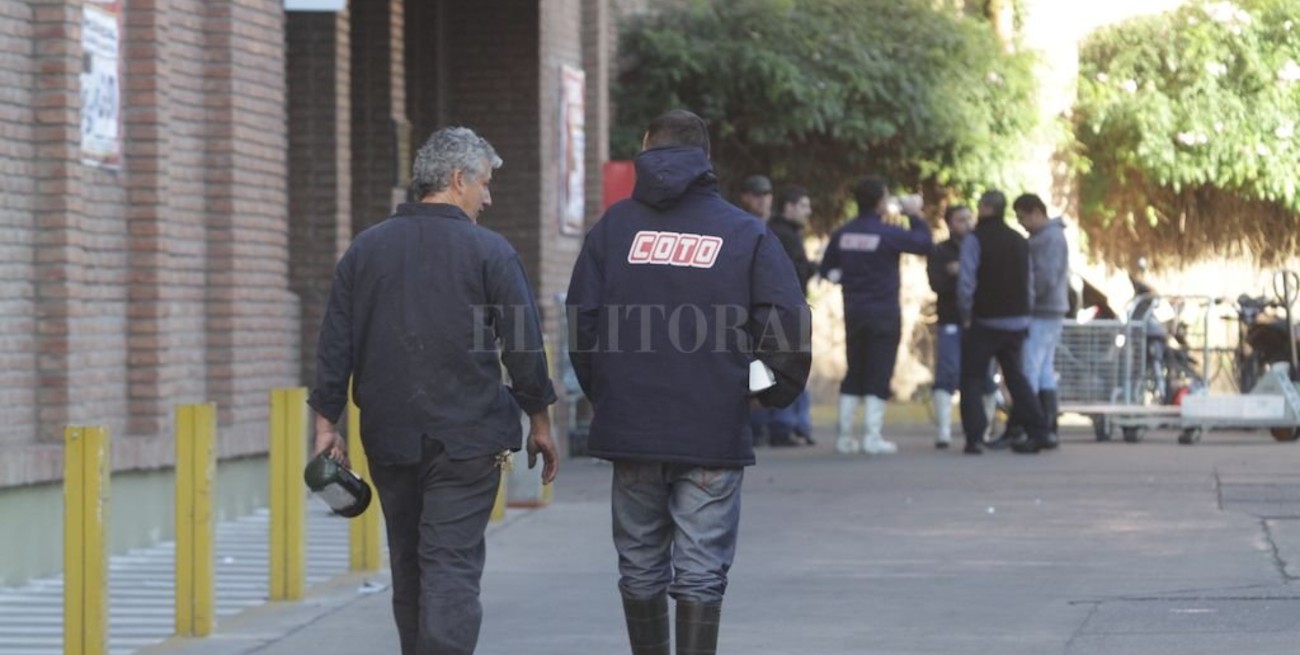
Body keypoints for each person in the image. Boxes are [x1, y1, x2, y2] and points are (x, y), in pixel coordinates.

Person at [566, 109, 811, 655]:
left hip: (632, 429)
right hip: (712, 431)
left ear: (648, 150)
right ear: (705, 160)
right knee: (701, 574)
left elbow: (581, 322)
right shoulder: (745, 232)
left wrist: (609, 394)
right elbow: (788, 326)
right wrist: (764, 392)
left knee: (640, 567)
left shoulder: (614, 228)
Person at [308, 126, 560, 655]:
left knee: (409, 563)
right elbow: (524, 347)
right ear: (456, 178)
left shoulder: (365, 250)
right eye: (485, 184)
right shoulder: (490, 253)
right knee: (450, 564)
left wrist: (326, 423)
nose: (488, 197)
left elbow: (335, 344)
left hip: (390, 435)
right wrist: (540, 421)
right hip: (468, 441)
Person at [820, 177, 932, 455]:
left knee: (855, 370)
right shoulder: (888, 233)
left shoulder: (843, 233)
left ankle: (844, 437)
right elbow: (924, 244)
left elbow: (827, 270)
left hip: (854, 312)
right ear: (881, 202)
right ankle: (872, 437)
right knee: (879, 372)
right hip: (883, 312)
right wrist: (914, 215)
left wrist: (848, 278)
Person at [957, 190, 1055, 455]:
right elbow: (1030, 282)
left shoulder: (974, 240)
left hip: (985, 320)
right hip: (1017, 320)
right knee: (1016, 378)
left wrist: (965, 313)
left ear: (983, 208)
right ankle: (1040, 430)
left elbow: (967, 281)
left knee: (972, 378)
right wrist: (1026, 311)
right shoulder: (1019, 241)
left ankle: (975, 437)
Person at [927, 205, 998, 449]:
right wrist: (956, 273)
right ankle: (944, 431)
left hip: (979, 320)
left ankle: (985, 429)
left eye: (969, 218)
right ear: (949, 223)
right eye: (960, 220)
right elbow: (936, 282)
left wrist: (960, 271)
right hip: (950, 319)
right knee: (948, 371)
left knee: (985, 375)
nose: (967, 223)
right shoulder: (940, 250)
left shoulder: (982, 246)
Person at [1014, 193, 1070, 442]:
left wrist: (1027, 300)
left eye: (1023, 217)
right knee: (1044, 367)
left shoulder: (1048, 238)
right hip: (1051, 309)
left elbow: (1045, 276)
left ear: (1037, 212)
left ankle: (1033, 427)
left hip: (1042, 309)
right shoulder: (1050, 236)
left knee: (1030, 367)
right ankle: (1047, 426)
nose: (1021, 223)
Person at [765, 185, 818, 446]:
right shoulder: (786, 235)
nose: (808, 212)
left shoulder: (774, 231)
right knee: (790, 368)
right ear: (789, 207)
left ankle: (792, 425)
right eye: (804, 206)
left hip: (775, 309)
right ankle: (786, 426)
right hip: (786, 311)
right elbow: (794, 272)